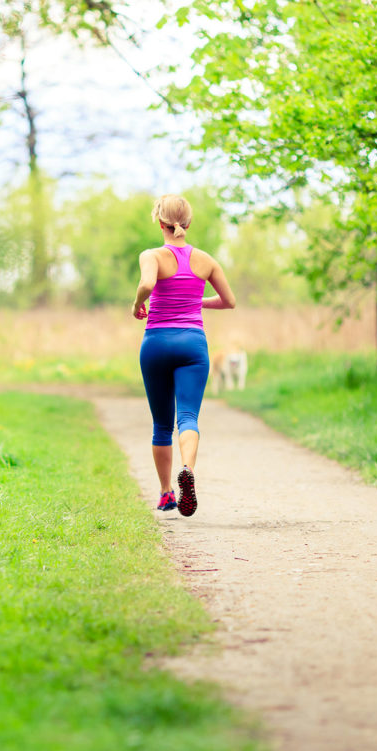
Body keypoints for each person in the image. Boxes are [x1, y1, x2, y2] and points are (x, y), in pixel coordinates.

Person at [131, 194, 236, 516]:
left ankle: (166, 493)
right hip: (193, 344)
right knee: (188, 417)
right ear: (187, 223)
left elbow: (148, 284)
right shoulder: (207, 260)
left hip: (157, 343)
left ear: (159, 222)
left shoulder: (152, 255)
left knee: (161, 425)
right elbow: (229, 301)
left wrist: (137, 304)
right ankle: (187, 469)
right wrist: (196, 302)